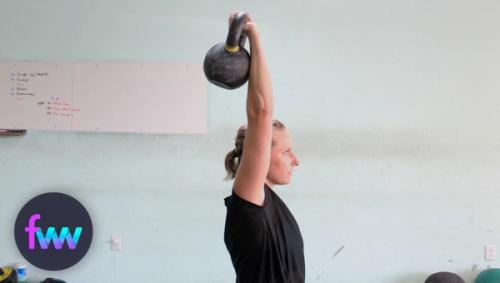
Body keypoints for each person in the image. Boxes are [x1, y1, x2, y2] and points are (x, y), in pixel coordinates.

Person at [223, 12, 305, 283]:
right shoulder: (249, 202)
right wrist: (254, 38)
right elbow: (261, 112)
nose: (296, 160)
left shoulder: (273, 205)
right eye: (286, 152)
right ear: (261, 155)